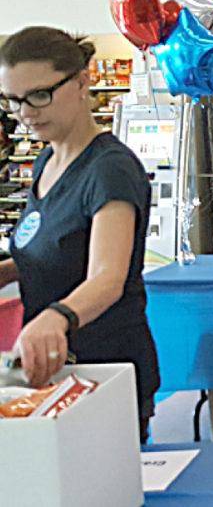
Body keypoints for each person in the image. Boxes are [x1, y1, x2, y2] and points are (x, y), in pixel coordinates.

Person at [0, 27, 159, 441]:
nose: (25, 113)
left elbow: (107, 277)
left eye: (39, 95)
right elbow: (58, 249)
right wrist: (8, 272)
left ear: (82, 81)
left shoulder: (110, 169)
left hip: (102, 369)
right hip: (54, 371)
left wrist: (57, 317)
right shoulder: (46, 162)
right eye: (13, 101)